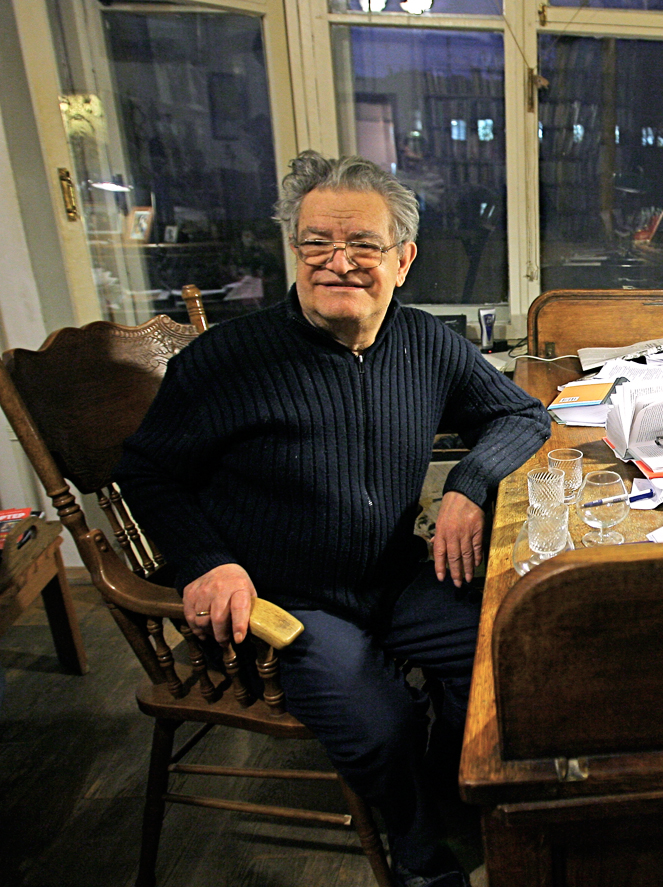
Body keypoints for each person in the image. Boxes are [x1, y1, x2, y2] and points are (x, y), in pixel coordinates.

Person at [115, 151, 551, 887]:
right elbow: (147, 468)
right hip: (286, 601)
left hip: (394, 576)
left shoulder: (425, 343)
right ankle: (420, 857)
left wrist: (469, 483)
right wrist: (206, 560)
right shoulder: (230, 357)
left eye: (362, 246)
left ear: (404, 258)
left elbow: (523, 412)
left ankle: (455, 792)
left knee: (509, 650)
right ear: (295, 249)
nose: (336, 262)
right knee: (383, 722)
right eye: (315, 242)